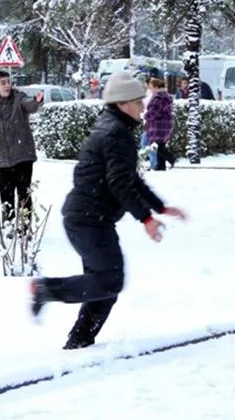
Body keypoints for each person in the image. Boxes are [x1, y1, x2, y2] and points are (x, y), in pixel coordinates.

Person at [29, 71, 187, 350]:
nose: (143, 108)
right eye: (139, 102)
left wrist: (159, 206)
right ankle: (46, 289)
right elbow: (119, 184)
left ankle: (79, 341)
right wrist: (147, 218)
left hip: (89, 217)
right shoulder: (116, 133)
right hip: (89, 219)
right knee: (109, 280)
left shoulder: (113, 127)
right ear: (123, 103)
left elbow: (130, 179)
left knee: (106, 284)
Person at [0, 70, 44, 223]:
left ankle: (25, 231)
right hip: (2, 160)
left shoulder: (18, 99)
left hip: (23, 157)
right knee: (6, 199)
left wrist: (37, 101)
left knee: (24, 196)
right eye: (3, 83)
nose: (7, 85)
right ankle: (9, 229)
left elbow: (30, 105)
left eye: (8, 82)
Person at [145, 77, 176, 170]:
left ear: (156, 87)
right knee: (160, 145)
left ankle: (171, 159)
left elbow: (154, 111)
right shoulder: (163, 97)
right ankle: (161, 165)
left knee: (159, 146)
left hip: (158, 124)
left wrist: (146, 116)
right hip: (163, 123)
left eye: (151, 87)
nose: (150, 89)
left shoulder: (159, 97)